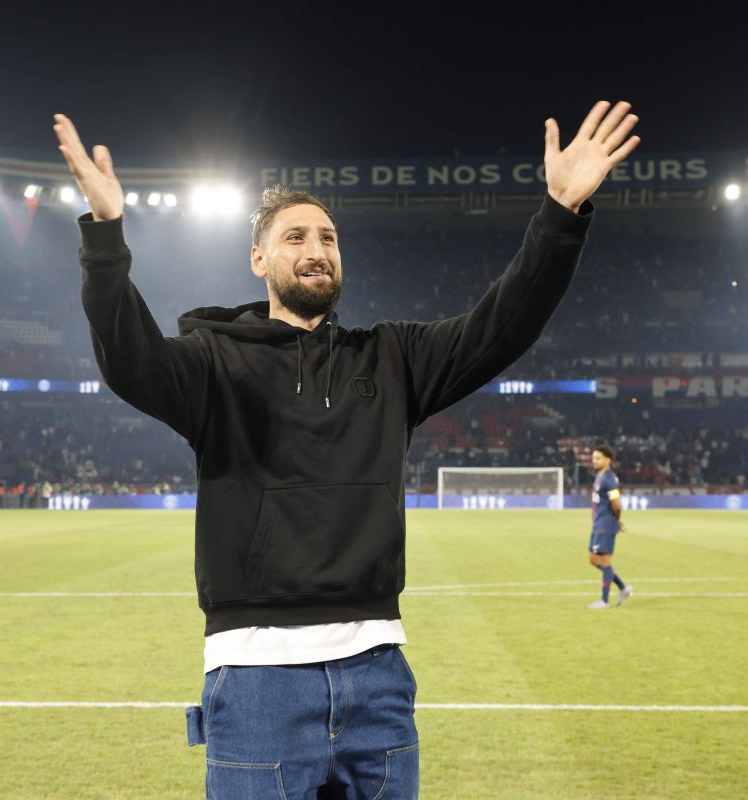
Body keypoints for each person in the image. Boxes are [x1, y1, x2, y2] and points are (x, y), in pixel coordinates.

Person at [55, 100, 640, 798]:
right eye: (296, 236)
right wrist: (105, 237)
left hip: (377, 677)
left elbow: (500, 327)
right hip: (256, 682)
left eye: (329, 239)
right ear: (259, 258)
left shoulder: (391, 358)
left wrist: (559, 216)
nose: (316, 250)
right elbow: (130, 359)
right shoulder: (212, 364)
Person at [587, 444, 633, 609]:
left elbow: (617, 503)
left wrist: (617, 519)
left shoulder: (609, 479)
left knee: (605, 561)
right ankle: (623, 587)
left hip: (606, 524)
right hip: (599, 523)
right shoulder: (600, 476)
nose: (594, 461)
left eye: (598, 458)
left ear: (608, 460)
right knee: (593, 559)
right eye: (593, 458)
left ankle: (604, 600)